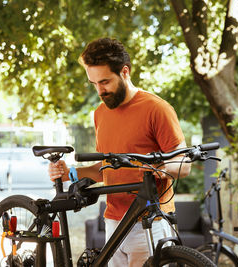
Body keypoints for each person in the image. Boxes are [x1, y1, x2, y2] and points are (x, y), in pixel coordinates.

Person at [48, 37, 191, 266]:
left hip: (150, 222)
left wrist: (164, 169)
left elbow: (184, 162)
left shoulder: (156, 109)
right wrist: (70, 173)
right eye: (93, 83)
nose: (99, 91)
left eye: (104, 82)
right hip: (113, 221)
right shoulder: (100, 113)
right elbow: (106, 168)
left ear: (125, 72)